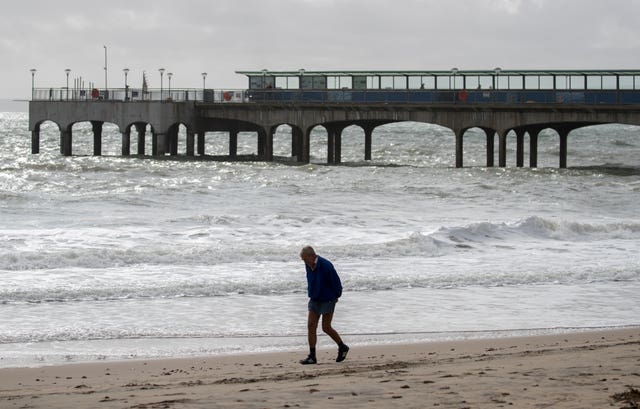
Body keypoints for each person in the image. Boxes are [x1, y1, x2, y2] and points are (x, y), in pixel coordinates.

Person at [299, 245, 349, 365]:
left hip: (328, 299)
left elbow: (336, 282)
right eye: (303, 260)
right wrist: (311, 292)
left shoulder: (326, 265)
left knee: (326, 327)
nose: (304, 262)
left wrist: (337, 296)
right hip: (314, 298)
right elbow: (310, 279)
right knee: (311, 326)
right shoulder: (308, 264)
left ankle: (342, 347)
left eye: (305, 259)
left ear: (313, 256)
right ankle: (312, 356)